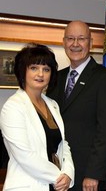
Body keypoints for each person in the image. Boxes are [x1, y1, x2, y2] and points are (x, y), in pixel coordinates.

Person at [47, 20, 106, 191]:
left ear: (91, 43)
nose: (75, 44)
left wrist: (94, 173)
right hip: (58, 174)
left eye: (81, 39)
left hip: (88, 177)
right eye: (70, 38)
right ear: (64, 42)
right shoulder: (56, 79)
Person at [0, 43, 74, 191]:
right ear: (23, 71)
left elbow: (63, 144)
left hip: (55, 185)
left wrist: (68, 174)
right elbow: (24, 156)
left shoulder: (53, 104)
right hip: (29, 185)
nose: (41, 74)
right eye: (34, 68)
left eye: (46, 69)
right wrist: (58, 177)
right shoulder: (13, 107)